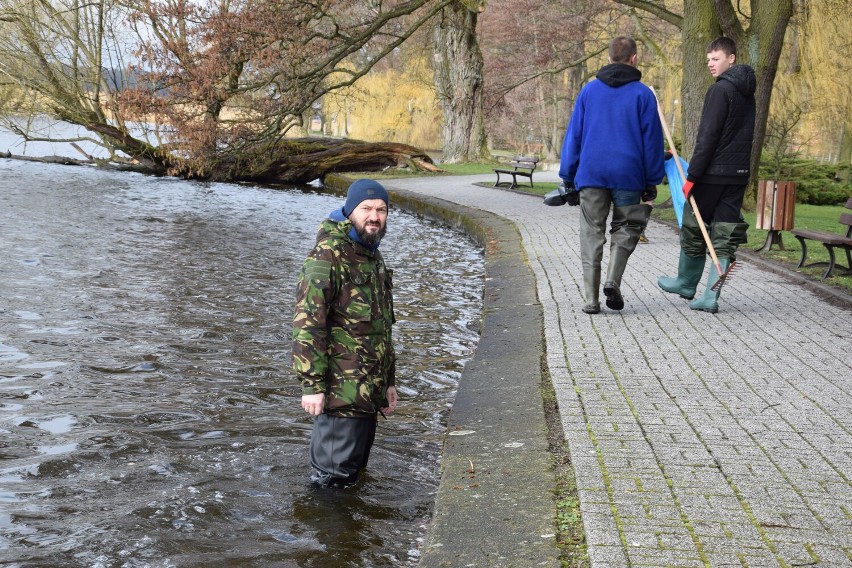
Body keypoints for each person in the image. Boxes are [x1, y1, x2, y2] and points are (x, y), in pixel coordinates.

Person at [292, 178, 398, 488]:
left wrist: (388, 383)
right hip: (340, 395)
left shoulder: (372, 257)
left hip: (367, 394)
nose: (374, 216)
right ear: (350, 211)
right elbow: (307, 325)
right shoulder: (327, 257)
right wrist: (311, 385)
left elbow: (381, 330)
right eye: (366, 209)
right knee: (330, 486)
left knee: (352, 481)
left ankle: (349, 536)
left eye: (381, 209)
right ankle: (323, 535)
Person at [557, 36, 665, 314]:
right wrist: (652, 180)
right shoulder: (643, 95)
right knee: (626, 228)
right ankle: (612, 281)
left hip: (591, 173)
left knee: (591, 234)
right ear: (634, 58)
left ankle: (591, 299)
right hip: (629, 174)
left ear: (608, 58)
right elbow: (652, 143)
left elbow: (575, 136)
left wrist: (568, 174)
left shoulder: (588, 92)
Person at [658, 37, 755, 313]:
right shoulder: (748, 92)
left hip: (712, 174)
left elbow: (708, 137)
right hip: (737, 174)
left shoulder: (720, 91)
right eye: (709, 59)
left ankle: (686, 283)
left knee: (692, 223)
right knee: (725, 231)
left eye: (716, 58)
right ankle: (711, 298)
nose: (710, 64)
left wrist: (692, 176)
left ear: (731, 58)